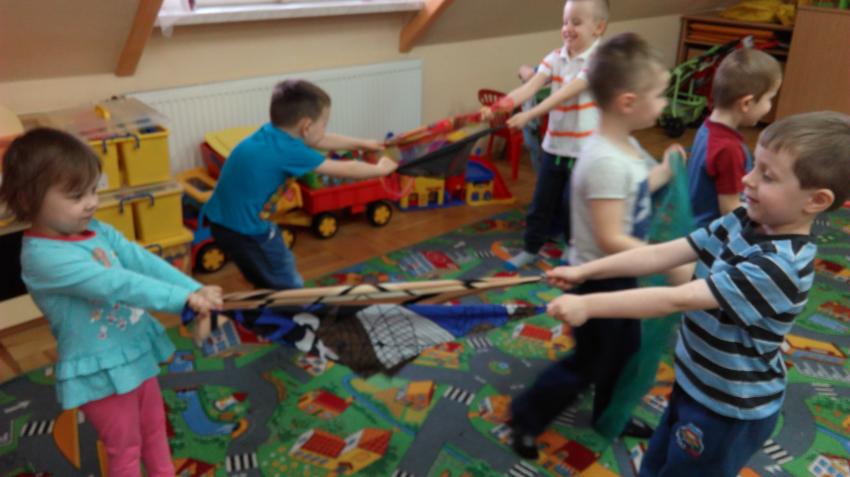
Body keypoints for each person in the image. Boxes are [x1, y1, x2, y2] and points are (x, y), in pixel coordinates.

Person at [546, 111, 850, 477]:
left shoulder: (779, 266)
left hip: (727, 409)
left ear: (816, 200)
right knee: (657, 465)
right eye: (755, 165)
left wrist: (587, 305)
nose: (747, 179)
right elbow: (663, 253)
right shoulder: (742, 219)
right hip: (695, 382)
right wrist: (585, 271)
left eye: (767, 176)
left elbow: (677, 298)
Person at [0, 128, 223, 476]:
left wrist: (196, 288)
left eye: (93, 189)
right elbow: (117, 284)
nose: (92, 202)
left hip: (134, 350)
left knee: (155, 429)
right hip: (99, 371)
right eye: (77, 195)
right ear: (29, 200)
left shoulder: (97, 230)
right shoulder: (42, 257)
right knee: (126, 448)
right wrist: (185, 299)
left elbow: (141, 261)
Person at [509, 32, 685, 458]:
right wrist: (664, 260)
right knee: (590, 361)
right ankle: (526, 416)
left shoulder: (624, 147)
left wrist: (661, 173)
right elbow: (609, 236)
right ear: (628, 102)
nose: (664, 104)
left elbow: (632, 192)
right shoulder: (605, 159)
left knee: (623, 352)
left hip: (622, 272)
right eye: (659, 96)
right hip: (599, 279)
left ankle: (612, 413)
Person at [205, 79, 397, 290]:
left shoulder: (272, 133)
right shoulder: (289, 151)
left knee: (267, 269)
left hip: (221, 220)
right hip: (244, 231)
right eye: (324, 124)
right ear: (306, 126)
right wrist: (380, 170)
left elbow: (321, 140)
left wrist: (362, 143)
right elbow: (347, 169)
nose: (324, 129)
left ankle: (266, 290)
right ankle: (289, 304)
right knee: (284, 278)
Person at [483, 0, 609, 269]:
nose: (568, 28)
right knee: (541, 202)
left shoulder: (599, 60)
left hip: (583, 151)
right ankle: (531, 248)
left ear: (599, 28)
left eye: (576, 22)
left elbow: (565, 93)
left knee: (573, 205)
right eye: (565, 22)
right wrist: (499, 107)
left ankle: (572, 249)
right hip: (555, 146)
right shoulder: (556, 56)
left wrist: (529, 114)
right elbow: (530, 87)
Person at [687, 48, 782, 227]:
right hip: (710, 232)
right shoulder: (729, 149)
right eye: (769, 99)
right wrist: (766, 222)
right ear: (746, 103)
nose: (769, 106)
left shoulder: (706, 127)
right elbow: (730, 210)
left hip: (694, 219)